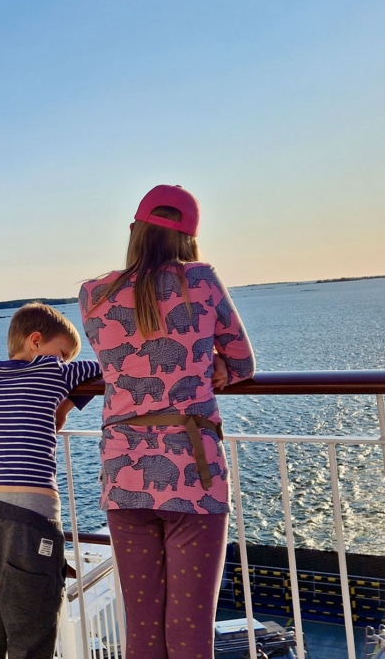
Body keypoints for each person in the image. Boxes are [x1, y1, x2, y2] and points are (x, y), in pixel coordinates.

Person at [78, 184, 256, 659]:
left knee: (142, 631)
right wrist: (214, 363)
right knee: (190, 633)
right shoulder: (200, 279)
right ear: (190, 238)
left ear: (135, 231)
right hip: (192, 477)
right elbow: (242, 363)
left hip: (123, 474)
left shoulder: (93, 293)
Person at [0, 303, 102, 659]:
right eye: (63, 353)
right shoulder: (52, 371)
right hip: (32, 521)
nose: (66, 361)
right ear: (36, 341)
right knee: (33, 633)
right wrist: (64, 404)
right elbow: (106, 367)